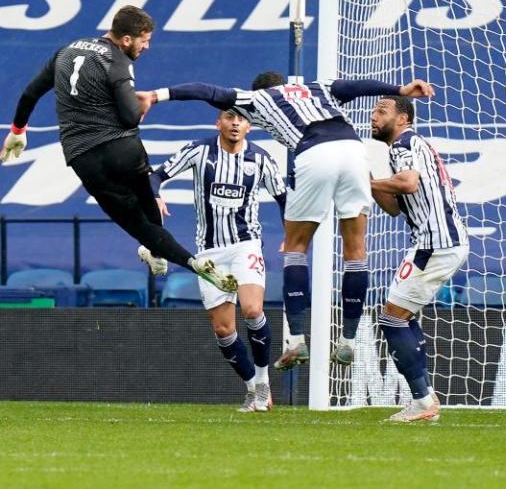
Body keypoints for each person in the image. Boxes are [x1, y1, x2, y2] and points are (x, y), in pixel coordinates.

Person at [139, 73, 435, 370]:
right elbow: (355, 86)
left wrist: (156, 95)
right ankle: (348, 342)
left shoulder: (257, 99)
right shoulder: (316, 87)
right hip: (354, 151)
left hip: (315, 152)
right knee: (356, 249)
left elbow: (207, 89)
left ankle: (295, 341)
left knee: (296, 248)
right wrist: (400, 89)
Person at [1, 5, 237, 293]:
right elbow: (129, 117)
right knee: (147, 201)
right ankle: (164, 252)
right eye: (144, 40)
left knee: (136, 223)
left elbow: (30, 93)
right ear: (127, 39)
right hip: (122, 149)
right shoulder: (117, 61)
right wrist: (137, 104)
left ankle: (189, 262)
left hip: (82, 156)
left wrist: (18, 131)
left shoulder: (66, 51)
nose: (147, 46)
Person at [149, 109, 286, 412]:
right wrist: (156, 195)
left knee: (252, 309)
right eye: (229, 117)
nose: (235, 123)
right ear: (218, 123)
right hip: (209, 252)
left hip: (245, 244)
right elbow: (157, 175)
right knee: (224, 330)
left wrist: (292, 234)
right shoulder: (200, 151)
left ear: (250, 125)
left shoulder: (261, 159)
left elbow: (283, 197)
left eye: (241, 118)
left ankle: (263, 383)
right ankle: (251, 388)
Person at [369, 95, 469, 422]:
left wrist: (365, 180)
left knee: (392, 318)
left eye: (381, 111)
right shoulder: (412, 145)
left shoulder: (403, 145)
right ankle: (424, 398)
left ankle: (424, 401)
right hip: (440, 241)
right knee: (402, 316)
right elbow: (397, 208)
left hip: (435, 244)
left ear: (402, 118)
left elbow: (408, 184)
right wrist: (371, 186)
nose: (373, 116)